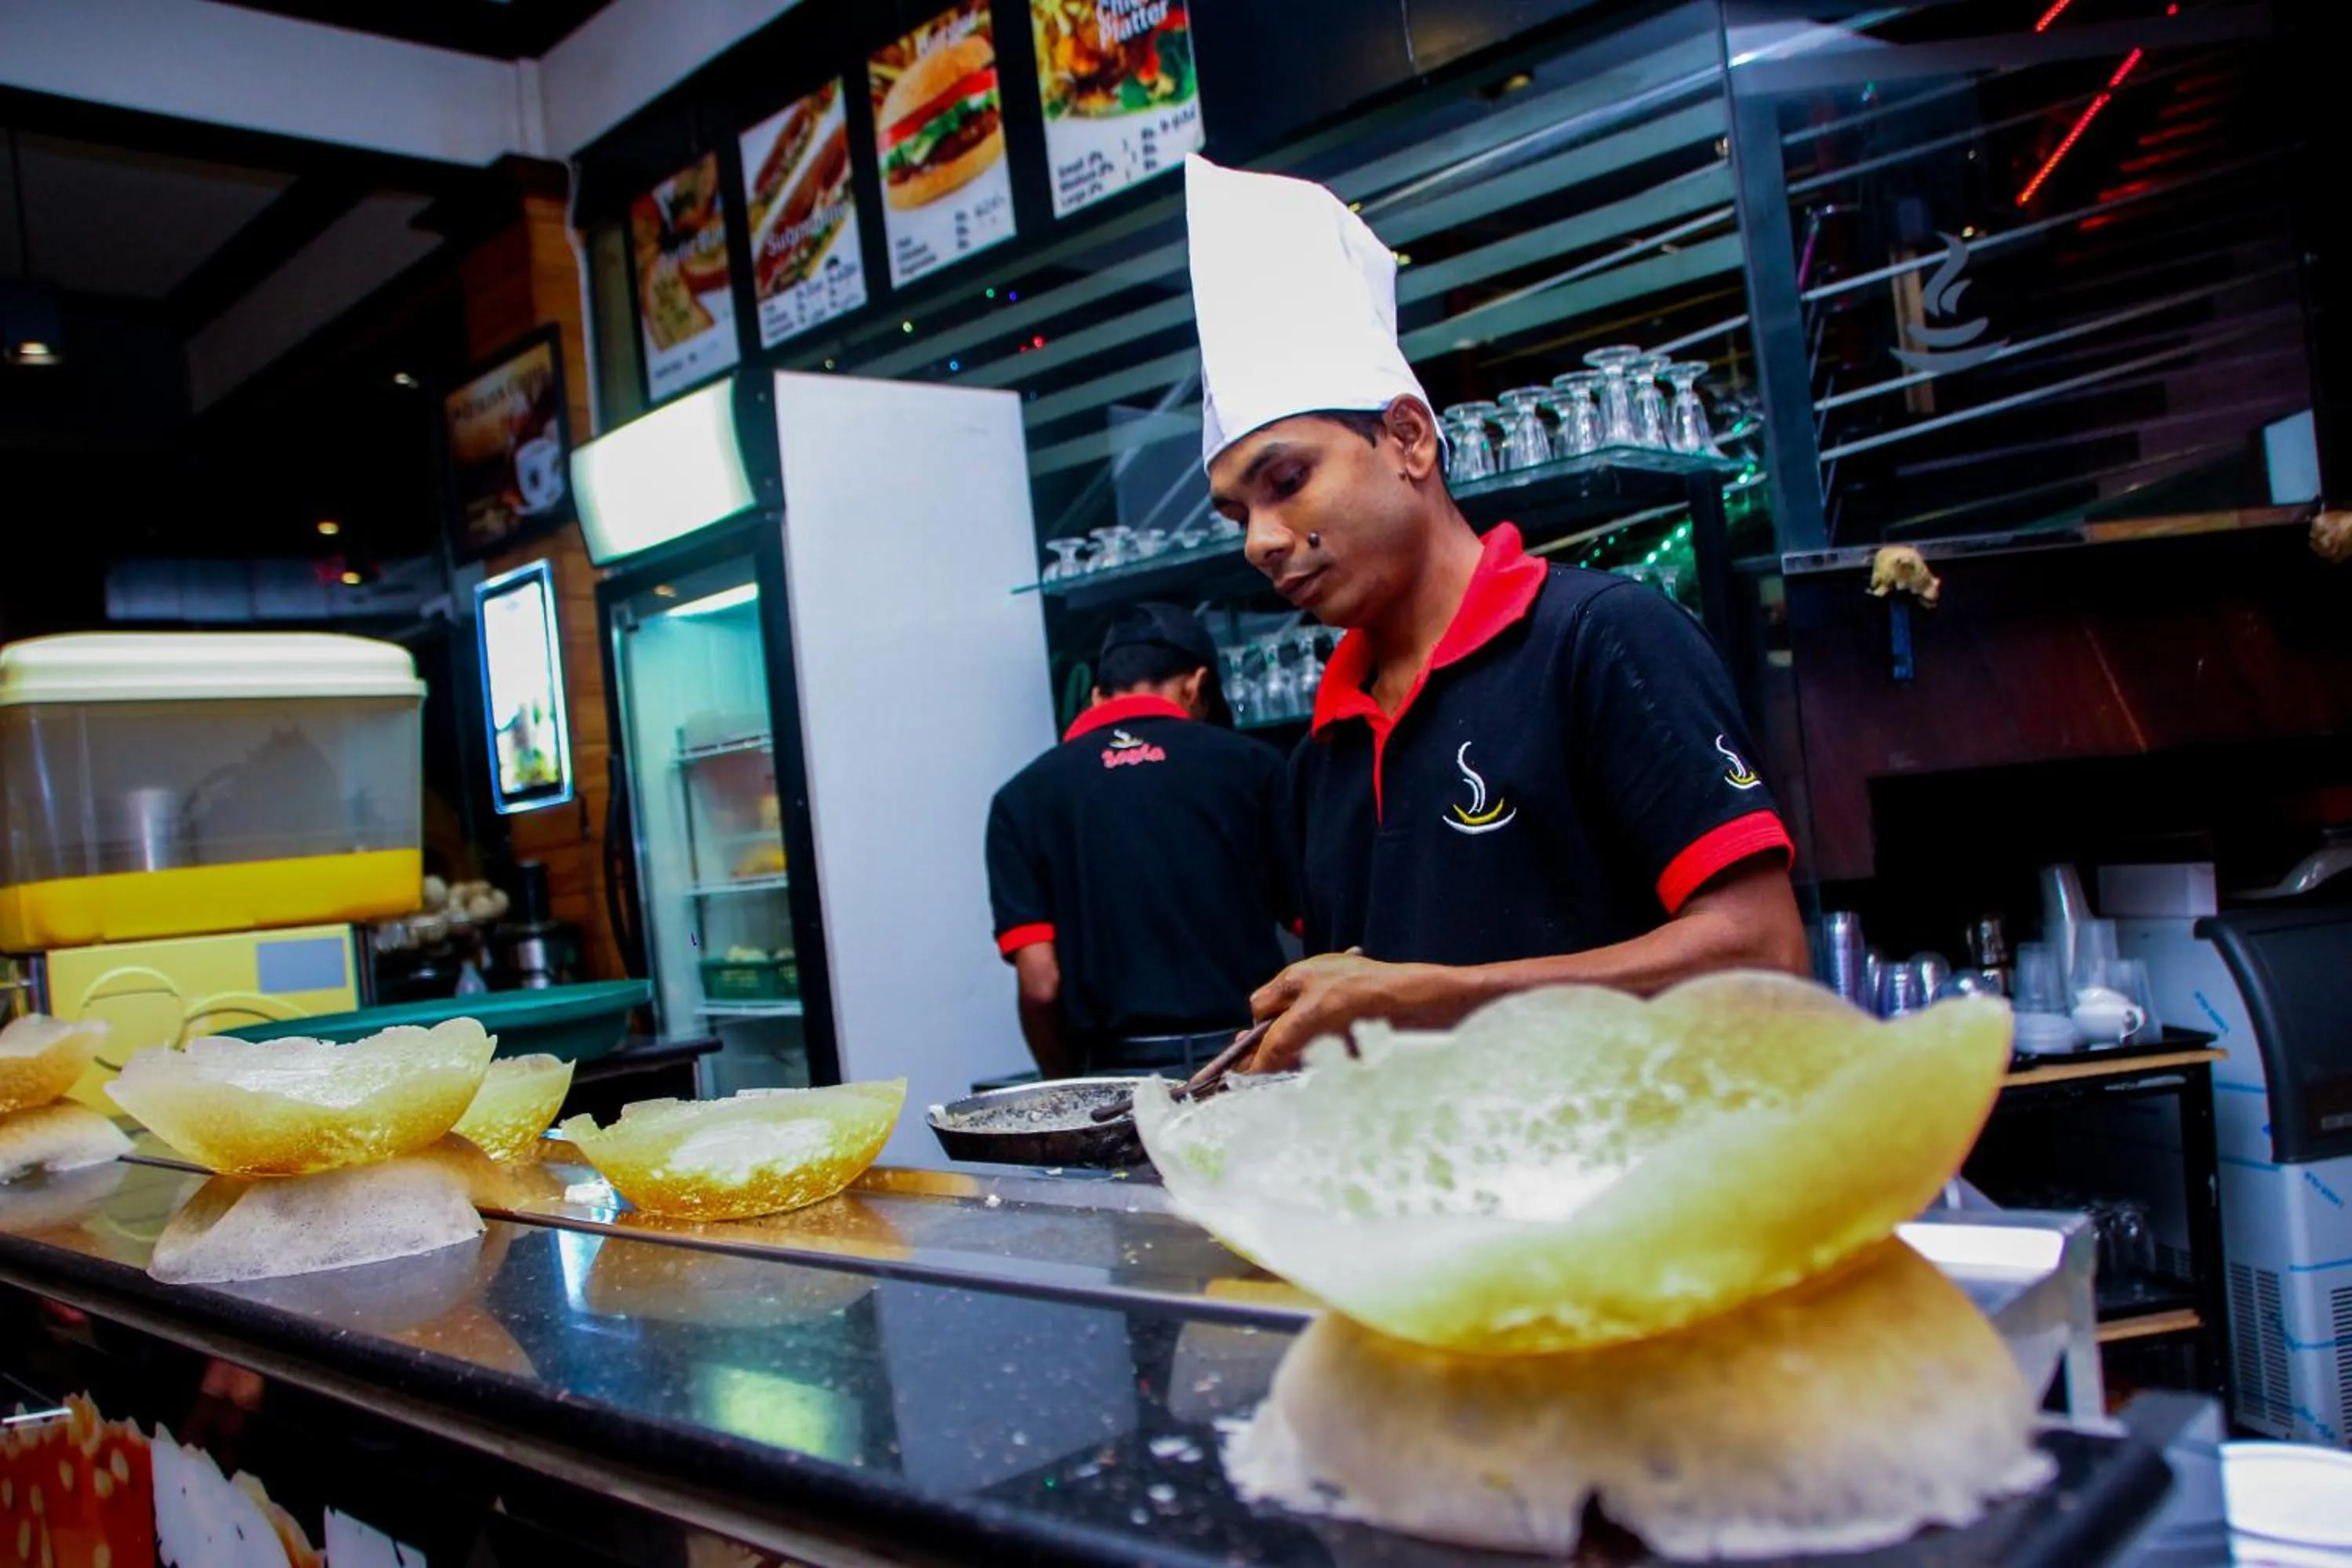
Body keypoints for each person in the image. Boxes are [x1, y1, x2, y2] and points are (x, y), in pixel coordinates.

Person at [1182, 154, 1809, 1073]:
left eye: (1286, 481)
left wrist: (1428, 994)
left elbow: (1762, 952)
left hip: (1637, 1198)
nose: (1261, 541)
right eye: (1239, 516)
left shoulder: (1598, 639)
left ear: (1407, 437)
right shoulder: (1327, 750)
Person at [985, 602, 1292, 1079]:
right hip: (1250, 1059)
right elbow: (1316, 933)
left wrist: (1067, 1082)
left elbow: (1040, 984)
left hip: (1114, 1077)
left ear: (1094, 697)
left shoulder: (1021, 799)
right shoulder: (1256, 768)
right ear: (1197, 685)